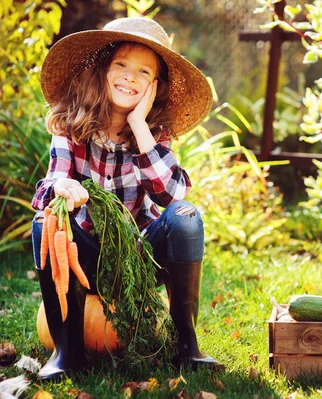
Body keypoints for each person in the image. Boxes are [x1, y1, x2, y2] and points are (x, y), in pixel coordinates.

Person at [31, 17, 221, 381]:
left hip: (139, 260)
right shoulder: (71, 125)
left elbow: (171, 194)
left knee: (186, 215)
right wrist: (62, 189)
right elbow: (54, 178)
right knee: (47, 220)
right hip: (86, 263)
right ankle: (66, 353)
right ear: (103, 70)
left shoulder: (155, 133)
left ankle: (187, 347)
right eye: (121, 65)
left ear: (154, 87)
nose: (129, 77)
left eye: (143, 72)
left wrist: (138, 126)